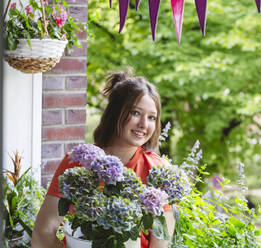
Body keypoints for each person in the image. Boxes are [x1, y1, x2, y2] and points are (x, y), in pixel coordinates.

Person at [31, 69, 175, 248]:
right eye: (136, 113)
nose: (144, 124)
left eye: (152, 117)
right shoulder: (77, 163)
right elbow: (43, 233)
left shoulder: (157, 171)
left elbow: (161, 242)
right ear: (115, 113)